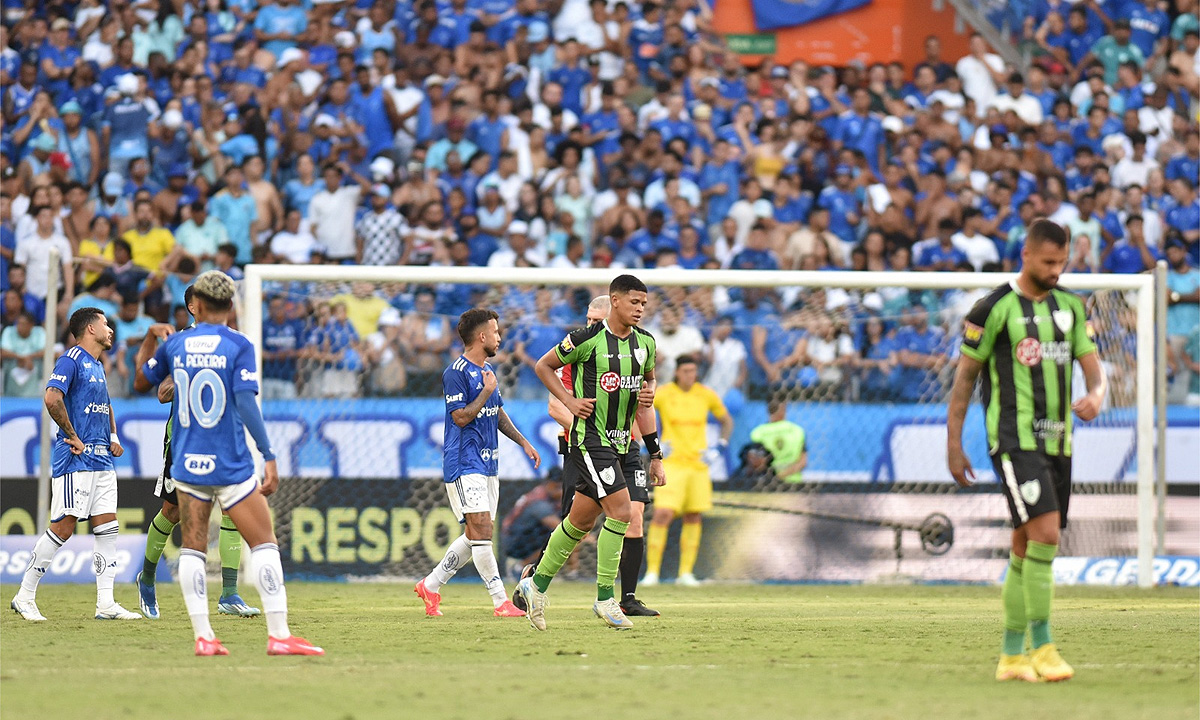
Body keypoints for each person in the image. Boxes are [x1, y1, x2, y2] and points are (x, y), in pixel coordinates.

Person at [947, 218, 1107, 683]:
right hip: (1014, 442)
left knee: (1024, 546)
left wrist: (1095, 396)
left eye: (1063, 262)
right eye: (1049, 262)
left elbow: (1093, 371)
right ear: (1027, 255)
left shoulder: (1072, 308)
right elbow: (963, 382)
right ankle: (1044, 647)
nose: (1057, 270)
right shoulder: (992, 308)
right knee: (1047, 536)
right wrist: (954, 444)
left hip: (1060, 441)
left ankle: (1011, 657)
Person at [134, 271, 322, 656]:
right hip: (230, 460)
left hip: (187, 460)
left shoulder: (177, 345)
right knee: (265, 542)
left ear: (197, 305)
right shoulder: (238, 344)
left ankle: (204, 637)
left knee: (193, 548)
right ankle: (280, 635)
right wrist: (268, 453)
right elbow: (247, 402)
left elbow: (141, 383)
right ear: (231, 307)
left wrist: (151, 340)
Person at [516, 274, 665, 631]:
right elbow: (543, 365)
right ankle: (604, 598)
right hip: (589, 440)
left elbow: (650, 381)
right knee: (622, 511)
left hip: (621, 443)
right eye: (634, 302)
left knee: (580, 521)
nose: (640, 309)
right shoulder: (587, 339)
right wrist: (570, 400)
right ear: (615, 301)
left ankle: (533, 585)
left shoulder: (646, 343)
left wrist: (655, 450)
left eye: (644, 304)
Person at [135, 286, 260, 620]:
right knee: (173, 513)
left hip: (224, 440)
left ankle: (230, 593)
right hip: (185, 441)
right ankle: (146, 578)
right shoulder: (180, 343)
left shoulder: (235, 341)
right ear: (195, 306)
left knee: (234, 509)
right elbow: (161, 392)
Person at [10, 307, 141, 621]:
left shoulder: (97, 365)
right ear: (91, 328)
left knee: (107, 527)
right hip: (76, 459)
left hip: (102, 459)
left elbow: (105, 403)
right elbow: (52, 397)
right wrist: (73, 435)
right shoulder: (70, 360)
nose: (111, 330)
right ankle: (24, 595)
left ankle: (106, 604)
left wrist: (113, 434)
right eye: (106, 324)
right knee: (65, 527)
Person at [414, 308, 541, 618]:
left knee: (476, 535)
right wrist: (485, 391)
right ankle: (501, 602)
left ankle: (431, 585)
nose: (500, 338)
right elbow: (460, 417)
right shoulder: (455, 372)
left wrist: (523, 441)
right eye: (496, 332)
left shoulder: (487, 372)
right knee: (481, 531)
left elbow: (496, 413)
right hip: (463, 462)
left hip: (488, 464)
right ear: (482, 336)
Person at [644, 354, 733, 587]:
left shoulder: (705, 394)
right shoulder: (664, 393)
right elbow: (639, 412)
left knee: (694, 515)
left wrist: (719, 448)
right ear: (677, 372)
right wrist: (653, 444)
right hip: (672, 463)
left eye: (693, 371)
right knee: (663, 513)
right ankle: (652, 573)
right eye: (686, 371)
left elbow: (727, 421)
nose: (690, 375)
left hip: (698, 466)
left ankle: (685, 573)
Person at [502, 471, 564, 573]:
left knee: (559, 536)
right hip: (514, 540)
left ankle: (571, 573)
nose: (561, 492)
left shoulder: (546, 495)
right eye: (557, 488)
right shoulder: (539, 499)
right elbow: (557, 526)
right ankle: (519, 567)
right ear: (548, 484)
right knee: (556, 537)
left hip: (527, 535)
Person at [748, 397, 807, 484]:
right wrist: (782, 475)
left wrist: (774, 477)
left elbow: (756, 463)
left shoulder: (758, 433)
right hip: (794, 483)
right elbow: (803, 462)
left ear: (768, 410)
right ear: (784, 409)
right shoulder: (797, 431)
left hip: (767, 483)